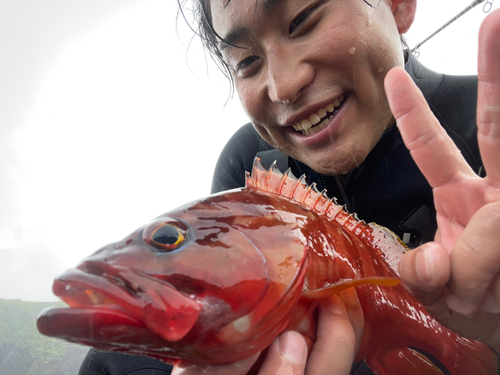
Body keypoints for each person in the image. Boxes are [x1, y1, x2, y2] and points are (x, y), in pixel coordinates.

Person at [79, 0, 500, 374]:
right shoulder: (247, 160)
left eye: (302, 20)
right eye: (246, 63)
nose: (283, 86)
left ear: (398, 5)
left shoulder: (485, 129)